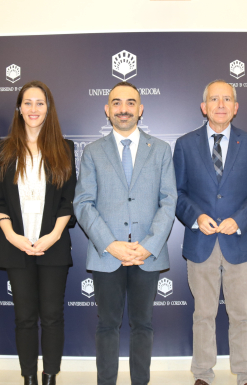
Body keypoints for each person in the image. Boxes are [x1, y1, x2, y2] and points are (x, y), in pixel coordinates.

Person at [73, 81, 177, 385]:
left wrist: (149, 245)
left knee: (143, 325)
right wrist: (110, 244)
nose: (123, 109)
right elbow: (83, 203)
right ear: (107, 110)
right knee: (107, 325)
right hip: (108, 255)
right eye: (116, 103)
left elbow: (169, 201)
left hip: (147, 254)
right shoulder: (92, 152)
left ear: (140, 109)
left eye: (130, 103)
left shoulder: (160, 150)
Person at [173, 80, 247, 385]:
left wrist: (239, 220)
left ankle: (245, 376)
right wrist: (196, 216)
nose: (220, 104)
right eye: (213, 99)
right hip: (200, 242)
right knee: (203, 315)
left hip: (239, 243)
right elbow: (176, 193)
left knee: (241, 315)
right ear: (204, 107)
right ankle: (203, 375)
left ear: (236, 107)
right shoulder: (186, 144)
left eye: (226, 99)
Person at [0, 81, 76, 385]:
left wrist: (52, 236)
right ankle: (28, 378)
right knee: (24, 318)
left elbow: (68, 201)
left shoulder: (65, 148)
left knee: (52, 316)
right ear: (19, 108)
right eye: (27, 103)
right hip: (16, 245)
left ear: (48, 109)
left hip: (53, 244)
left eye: (40, 103)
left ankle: (50, 376)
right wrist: (12, 236)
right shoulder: (4, 150)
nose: (33, 109)